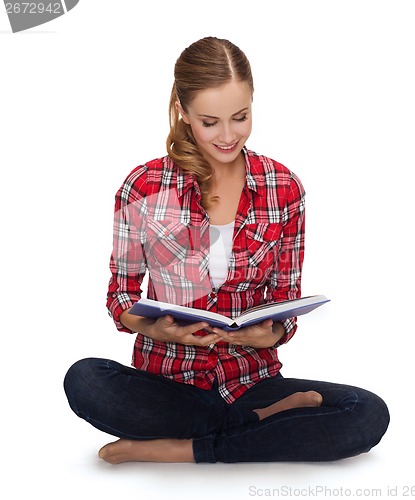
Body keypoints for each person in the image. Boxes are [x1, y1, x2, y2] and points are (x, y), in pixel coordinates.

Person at [63, 36, 389, 464]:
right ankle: (262, 426)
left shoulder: (284, 188)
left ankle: (185, 449)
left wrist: (268, 333)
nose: (228, 135)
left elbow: (284, 304)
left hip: (252, 380)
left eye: (240, 117)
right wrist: (155, 329)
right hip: (169, 385)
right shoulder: (142, 186)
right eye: (210, 121)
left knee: (367, 414)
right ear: (183, 112)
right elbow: (120, 293)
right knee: (85, 378)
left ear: (253, 103)